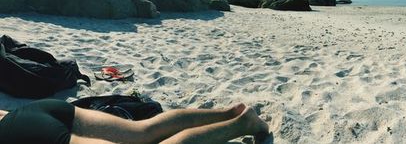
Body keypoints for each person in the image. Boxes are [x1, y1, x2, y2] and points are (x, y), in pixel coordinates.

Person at [0, 99, 269, 144]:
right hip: (30, 113)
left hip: (22, 137)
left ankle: (242, 124)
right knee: (143, 130)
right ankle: (232, 112)